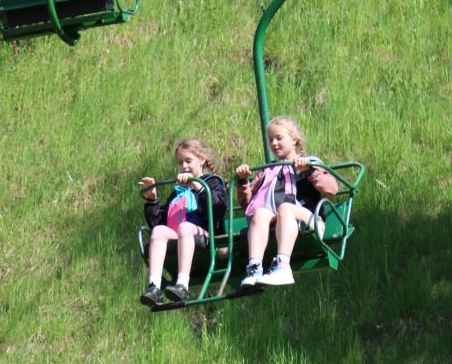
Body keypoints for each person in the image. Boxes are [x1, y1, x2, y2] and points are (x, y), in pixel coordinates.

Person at [234, 115, 338, 287]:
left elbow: (331, 189)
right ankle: (255, 267)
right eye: (270, 140)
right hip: (276, 222)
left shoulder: (309, 163)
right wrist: (243, 181)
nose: (274, 143)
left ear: (294, 139)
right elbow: (248, 204)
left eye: (279, 138)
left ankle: (283, 266)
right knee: (260, 212)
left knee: (286, 208)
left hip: (309, 220)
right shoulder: (268, 171)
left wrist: (309, 171)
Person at [138, 138, 228, 307]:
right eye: (180, 163)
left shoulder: (212, 182)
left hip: (205, 233)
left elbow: (218, 207)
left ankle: (182, 284)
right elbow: (158, 221)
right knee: (158, 231)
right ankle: (154, 286)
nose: (184, 166)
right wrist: (152, 200)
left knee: (184, 227)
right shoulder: (178, 193)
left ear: (201, 160)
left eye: (188, 161)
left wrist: (197, 185)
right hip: (179, 234)